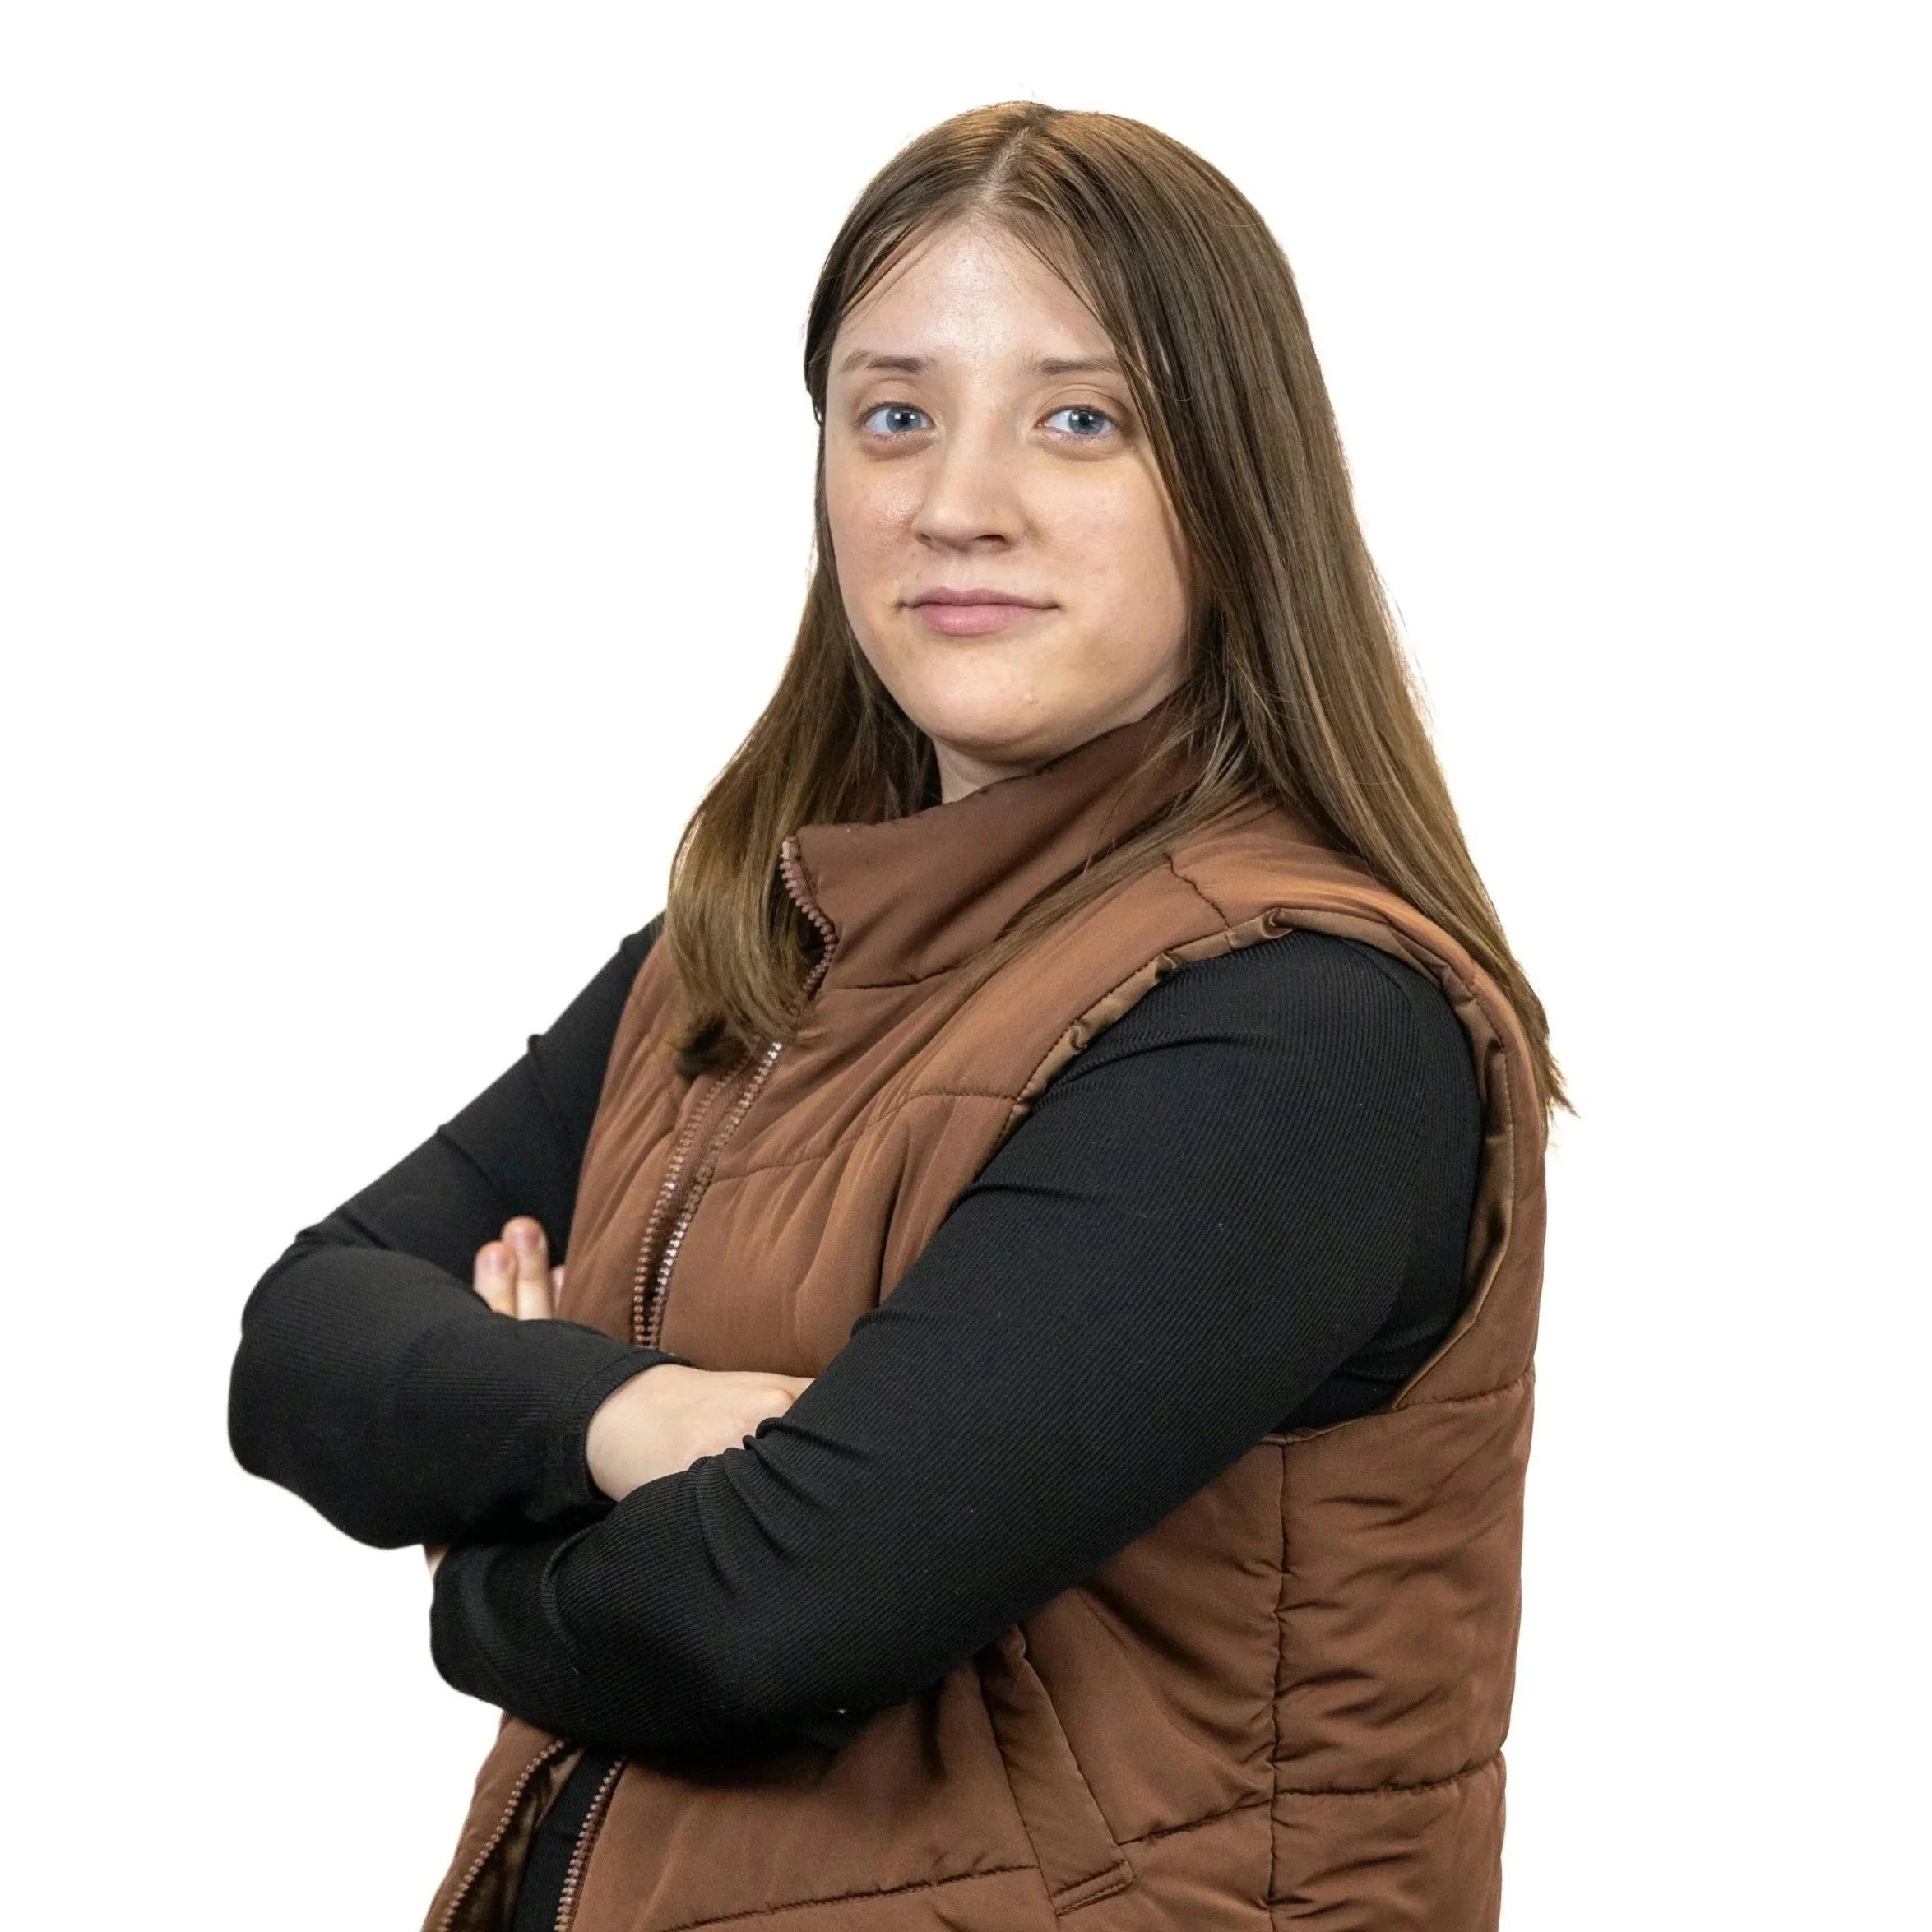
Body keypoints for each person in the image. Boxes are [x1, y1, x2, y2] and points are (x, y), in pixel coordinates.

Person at [229, 101, 1559, 1932]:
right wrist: (636, 1422)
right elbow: (297, 1341)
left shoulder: (1294, 1026)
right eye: (895, 414)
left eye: (1078, 418)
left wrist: (476, 1544)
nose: (957, 499)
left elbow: (758, 1614)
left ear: (1235, 483)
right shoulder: (738, 967)